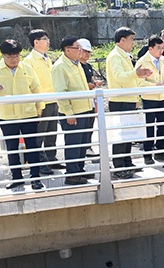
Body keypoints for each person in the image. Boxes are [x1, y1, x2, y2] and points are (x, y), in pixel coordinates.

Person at [0, 40, 44, 190]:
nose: (14, 59)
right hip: (8, 116)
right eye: (10, 56)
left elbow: (36, 89)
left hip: (29, 114)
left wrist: (39, 108)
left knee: (32, 147)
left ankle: (36, 177)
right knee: (12, 148)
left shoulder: (27, 68)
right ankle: (17, 178)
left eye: (17, 56)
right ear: (3, 55)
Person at [106, 27, 153, 179]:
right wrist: (135, 73)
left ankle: (127, 162)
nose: (133, 43)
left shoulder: (124, 56)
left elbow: (129, 78)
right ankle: (119, 166)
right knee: (120, 137)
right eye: (131, 39)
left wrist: (139, 76)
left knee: (127, 136)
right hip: (120, 100)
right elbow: (119, 77)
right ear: (122, 40)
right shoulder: (115, 57)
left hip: (128, 99)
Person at [52, 36, 95, 185]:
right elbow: (61, 93)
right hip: (73, 113)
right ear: (67, 50)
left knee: (83, 143)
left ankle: (79, 170)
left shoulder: (76, 64)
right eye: (78, 48)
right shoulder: (60, 67)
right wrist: (69, 113)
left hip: (84, 109)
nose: (81, 51)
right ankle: (72, 174)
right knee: (73, 144)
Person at [135, 35, 164, 165]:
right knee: (149, 127)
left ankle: (160, 150)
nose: (161, 51)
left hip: (163, 96)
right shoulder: (142, 62)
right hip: (150, 98)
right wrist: (155, 86)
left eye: (162, 48)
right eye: (159, 48)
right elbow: (139, 83)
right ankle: (147, 153)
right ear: (150, 48)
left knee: (162, 125)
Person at [23, 29, 59, 175]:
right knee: (39, 135)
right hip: (41, 102)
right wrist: (37, 105)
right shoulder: (29, 61)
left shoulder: (47, 58)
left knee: (51, 134)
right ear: (36, 42)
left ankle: (51, 159)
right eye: (45, 39)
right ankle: (41, 164)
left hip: (53, 100)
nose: (48, 41)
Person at [78, 38, 102, 158]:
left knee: (90, 124)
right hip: (82, 99)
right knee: (84, 125)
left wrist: (96, 83)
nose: (87, 54)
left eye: (89, 52)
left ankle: (88, 145)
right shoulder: (77, 66)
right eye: (85, 51)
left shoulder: (88, 66)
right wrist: (89, 86)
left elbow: (92, 79)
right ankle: (84, 147)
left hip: (91, 99)